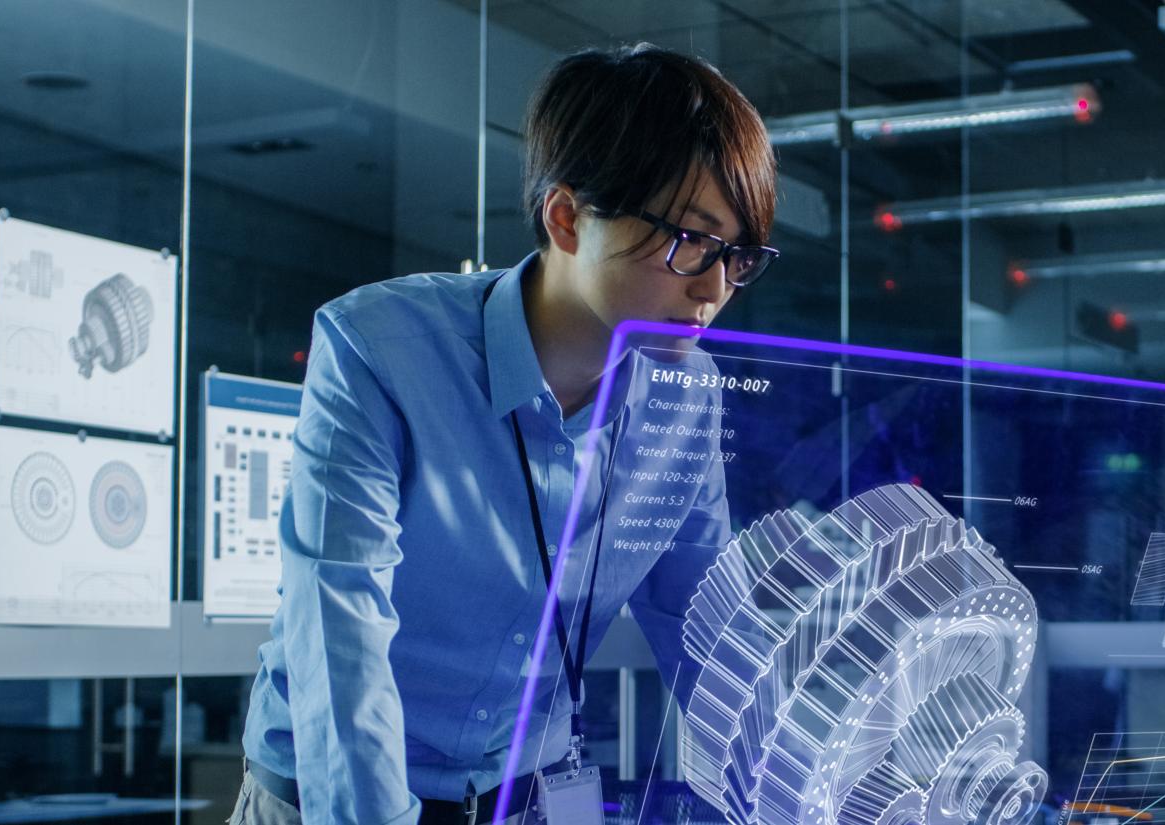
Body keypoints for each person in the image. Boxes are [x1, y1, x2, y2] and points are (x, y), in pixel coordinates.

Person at [233, 43, 779, 825]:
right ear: (567, 218)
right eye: (689, 239)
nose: (715, 287)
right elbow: (337, 631)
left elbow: (707, 632)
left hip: (527, 796)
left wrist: (807, 791)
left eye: (737, 255)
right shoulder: (380, 348)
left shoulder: (685, 395)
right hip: (331, 798)